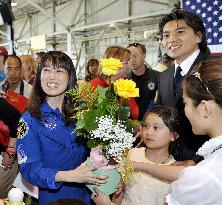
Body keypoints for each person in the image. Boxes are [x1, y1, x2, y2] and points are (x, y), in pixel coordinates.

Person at [16, 51, 108, 205]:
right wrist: (70, 176)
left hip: (89, 196)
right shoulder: (29, 120)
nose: (52, 76)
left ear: (69, 77)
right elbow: (29, 169)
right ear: (39, 76)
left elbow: (97, 151)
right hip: (54, 200)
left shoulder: (84, 111)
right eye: (46, 70)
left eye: (59, 70)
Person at [125, 60, 222, 205]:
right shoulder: (208, 164)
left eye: (185, 103)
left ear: (204, 108)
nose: (185, 111)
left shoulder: (204, 175)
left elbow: (196, 177)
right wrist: (139, 165)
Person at [92, 105, 182, 205]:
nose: (149, 132)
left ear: (173, 135)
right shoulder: (132, 154)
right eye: (146, 126)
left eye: (156, 128)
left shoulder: (175, 170)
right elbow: (117, 197)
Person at [156, 9, 213, 160]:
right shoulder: (164, 76)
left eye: (180, 32)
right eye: (166, 35)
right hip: (171, 160)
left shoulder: (214, 70)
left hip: (209, 163)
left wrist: (198, 162)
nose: (171, 39)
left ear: (198, 36)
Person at [90, 45, 139, 120]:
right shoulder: (93, 86)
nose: (129, 66)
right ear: (116, 64)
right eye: (126, 63)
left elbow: (134, 114)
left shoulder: (125, 86)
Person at [127, 43, 159, 121]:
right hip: (130, 124)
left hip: (150, 123)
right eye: (129, 57)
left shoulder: (157, 77)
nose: (131, 60)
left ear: (144, 56)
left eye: (135, 56)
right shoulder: (124, 79)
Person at [0, 97, 21, 198]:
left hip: (4, 157)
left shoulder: (1, 104)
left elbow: (18, 120)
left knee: (2, 194)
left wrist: (11, 150)